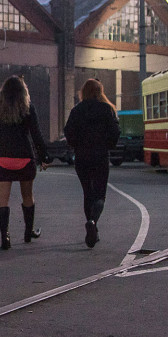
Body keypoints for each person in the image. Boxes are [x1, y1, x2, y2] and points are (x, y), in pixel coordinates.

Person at [0, 76, 49, 250]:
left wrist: (5, 139)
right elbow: (37, 135)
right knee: (27, 196)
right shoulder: (28, 108)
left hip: (3, 159)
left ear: (3, 92)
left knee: (2, 200)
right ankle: (28, 233)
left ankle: (5, 238)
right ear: (24, 92)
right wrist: (44, 157)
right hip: (24, 158)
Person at [64, 78, 121, 248]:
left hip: (82, 157)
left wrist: (76, 145)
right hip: (100, 156)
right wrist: (108, 145)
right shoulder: (107, 109)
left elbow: (68, 131)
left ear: (83, 92)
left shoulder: (77, 110)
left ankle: (92, 226)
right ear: (99, 91)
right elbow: (115, 131)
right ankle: (92, 222)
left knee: (87, 192)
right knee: (100, 194)